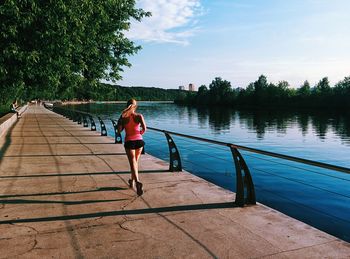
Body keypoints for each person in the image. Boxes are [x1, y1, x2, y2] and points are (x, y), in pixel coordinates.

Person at [117, 99, 146, 195]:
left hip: (129, 141)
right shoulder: (139, 116)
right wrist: (139, 134)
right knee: (135, 162)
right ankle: (132, 181)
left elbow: (119, 131)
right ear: (135, 106)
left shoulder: (123, 117)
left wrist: (120, 120)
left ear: (127, 106)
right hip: (139, 141)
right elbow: (144, 128)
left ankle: (137, 181)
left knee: (133, 162)